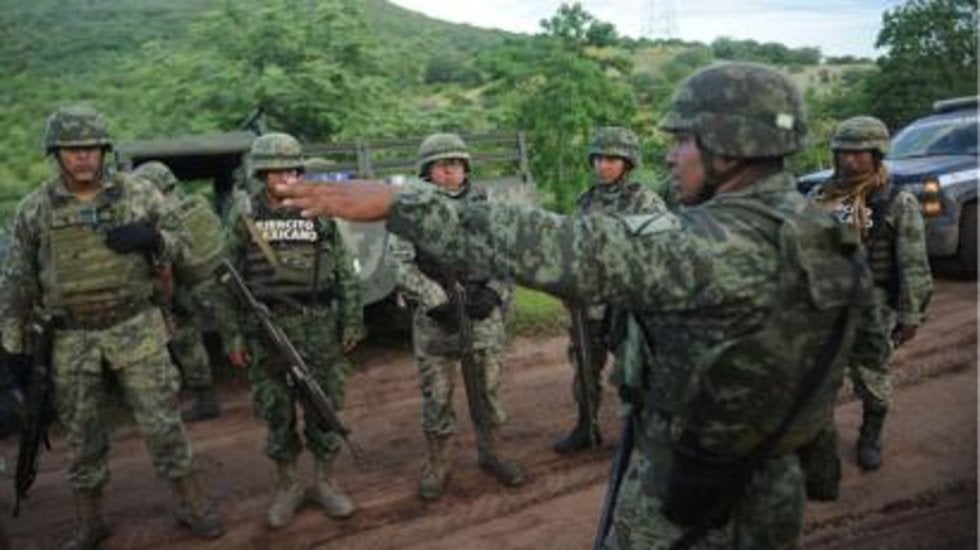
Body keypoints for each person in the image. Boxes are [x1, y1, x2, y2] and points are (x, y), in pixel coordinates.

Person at [272, 62, 888, 549]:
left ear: (726, 148)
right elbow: (843, 350)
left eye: (682, 141)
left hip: (693, 496)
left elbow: (562, 247)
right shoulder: (819, 227)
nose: (672, 155)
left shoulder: (711, 247)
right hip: (773, 485)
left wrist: (400, 202)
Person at [0, 105, 223, 548]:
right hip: (70, 338)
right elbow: (18, 280)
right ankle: (89, 521)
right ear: (56, 154)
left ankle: (191, 502)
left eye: (90, 148)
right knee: (82, 437)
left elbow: (184, 246)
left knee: (163, 424)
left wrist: (155, 239)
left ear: (103, 151)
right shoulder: (35, 210)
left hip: (135, 328)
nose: (82, 157)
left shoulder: (139, 195)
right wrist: (13, 343)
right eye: (71, 149)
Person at [218, 132, 364, 528]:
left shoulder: (318, 208)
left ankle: (325, 482)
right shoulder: (243, 213)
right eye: (274, 170)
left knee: (324, 406)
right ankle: (288, 487)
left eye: (290, 169)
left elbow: (345, 272)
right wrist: (232, 334)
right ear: (260, 173)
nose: (282, 176)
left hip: (318, 326)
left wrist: (351, 320)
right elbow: (226, 276)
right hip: (267, 330)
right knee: (276, 412)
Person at [387, 133, 525, 501]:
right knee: (437, 397)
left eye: (456, 164)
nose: (450, 171)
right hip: (436, 323)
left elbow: (509, 255)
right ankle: (439, 464)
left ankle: (493, 454)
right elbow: (399, 264)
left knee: (489, 391)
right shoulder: (410, 208)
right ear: (427, 171)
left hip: (484, 320)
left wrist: (495, 291)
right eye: (441, 165)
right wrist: (436, 300)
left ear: (466, 168)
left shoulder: (487, 206)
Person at [800, 116, 932, 493]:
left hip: (873, 303)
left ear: (876, 155)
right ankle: (815, 446)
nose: (851, 161)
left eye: (860, 154)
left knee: (872, 376)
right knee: (819, 378)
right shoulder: (820, 197)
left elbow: (912, 261)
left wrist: (911, 313)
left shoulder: (895, 200)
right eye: (844, 153)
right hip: (826, 304)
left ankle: (870, 435)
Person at [554, 126, 667, 454]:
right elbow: (572, 246)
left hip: (626, 305)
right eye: (599, 158)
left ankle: (640, 432)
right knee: (585, 367)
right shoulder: (585, 201)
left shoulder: (645, 200)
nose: (603, 165)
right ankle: (585, 427)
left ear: (628, 162)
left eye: (612, 159)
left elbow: (661, 251)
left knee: (633, 370)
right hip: (588, 303)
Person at [132, 161, 224, 423]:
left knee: (186, 341)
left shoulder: (159, 219)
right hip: (221, 281)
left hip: (186, 289)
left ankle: (206, 400)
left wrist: (165, 300)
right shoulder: (199, 204)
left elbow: (164, 265)